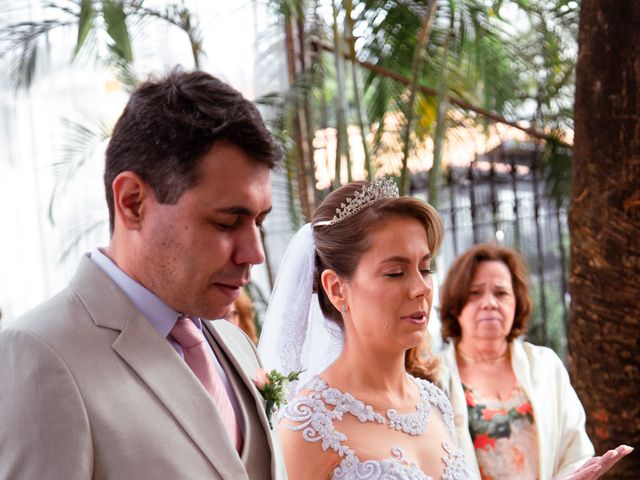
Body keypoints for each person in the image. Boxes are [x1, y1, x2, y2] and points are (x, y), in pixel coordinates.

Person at [0, 70, 287, 479]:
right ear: (132, 202)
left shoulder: (236, 343)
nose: (254, 253)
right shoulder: (37, 358)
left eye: (259, 220)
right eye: (226, 222)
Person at [258, 179, 473, 479]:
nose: (421, 288)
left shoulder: (435, 402)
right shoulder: (309, 427)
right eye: (395, 273)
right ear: (336, 289)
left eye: (425, 269)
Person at [437, 242, 633, 479]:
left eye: (501, 293)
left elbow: (574, 451)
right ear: (455, 303)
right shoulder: (434, 375)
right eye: (475, 292)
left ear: (517, 302)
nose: (490, 302)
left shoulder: (546, 365)